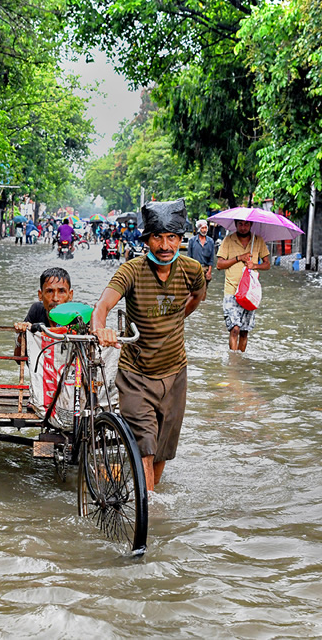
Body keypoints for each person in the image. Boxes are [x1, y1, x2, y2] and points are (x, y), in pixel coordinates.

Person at [92, 199, 206, 491]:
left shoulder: (191, 270)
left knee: (163, 449)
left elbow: (198, 296)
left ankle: (147, 500)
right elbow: (103, 305)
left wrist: (177, 317)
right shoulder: (131, 270)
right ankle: (148, 512)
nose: (165, 245)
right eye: (158, 237)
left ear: (181, 239)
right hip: (135, 374)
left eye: (171, 237)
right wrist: (100, 328)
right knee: (145, 445)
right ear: (147, 239)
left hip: (174, 372)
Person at [216, 219, 270, 352]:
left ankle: (240, 361)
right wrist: (238, 258)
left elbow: (267, 264)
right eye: (240, 224)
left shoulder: (258, 241)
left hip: (249, 292)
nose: (243, 227)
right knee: (234, 329)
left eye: (246, 224)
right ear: (235, 225)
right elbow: (219, 265)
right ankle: (233, 362)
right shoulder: (228, 240)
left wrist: (255, 265)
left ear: (251, 225)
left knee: (244, 331)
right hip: (231, 290)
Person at [14, 267, 74, 332]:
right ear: (40, 295)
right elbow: (21, 339)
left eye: (61, 291)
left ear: (70, 295)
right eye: (50, 291)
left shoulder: (80, 315)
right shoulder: (37, 310)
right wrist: (22, 329)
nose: (55, 298)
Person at [187, 219, 215, 284]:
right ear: (199, 229)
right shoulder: (192, 241)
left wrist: (209, 272)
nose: (204, 230)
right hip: (194, 268)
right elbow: (189, 257)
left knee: (204, 289)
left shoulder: (210, 241)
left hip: (205, 268)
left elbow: (211, 259)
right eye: (202, 228)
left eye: (205, 228)